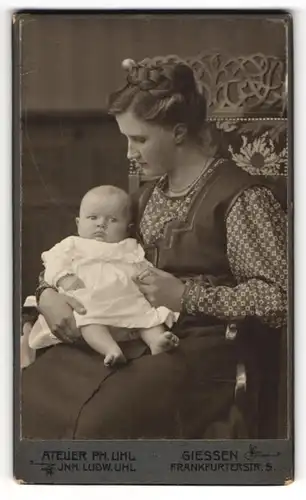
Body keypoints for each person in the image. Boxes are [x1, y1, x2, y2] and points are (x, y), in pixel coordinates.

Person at [21, 57, 287, 440]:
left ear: (178, 132)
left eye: (140, 139)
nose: (129, 152)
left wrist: (186, 296)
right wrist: (47, 293)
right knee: (27, 395)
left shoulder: (242, 198)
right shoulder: (146, 198)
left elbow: (278, 299)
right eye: (126, 138)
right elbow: (88, 255)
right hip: (129, 332)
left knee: (95, 424)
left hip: (198, 352)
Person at [26, 185, 179, 367]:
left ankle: (157, 342)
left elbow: (142, 265)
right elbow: (53, 262)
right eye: (93, 218)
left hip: (126, 299)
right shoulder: (72, 244)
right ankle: (110, 349)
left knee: (148, 317)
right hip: (89, 298)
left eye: (112, 220)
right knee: (88, 319)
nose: (101, 224)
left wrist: (146, 277)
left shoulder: (129, 246)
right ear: (78, 223)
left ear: (127, 228)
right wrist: (64, 278)